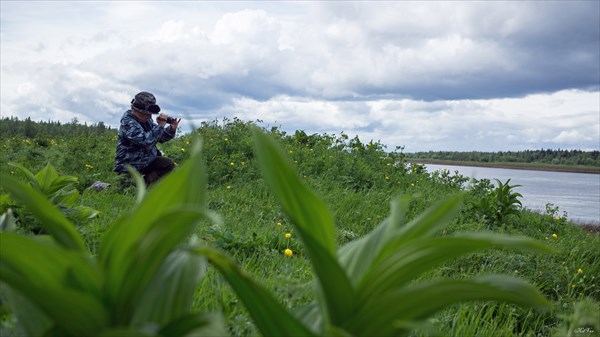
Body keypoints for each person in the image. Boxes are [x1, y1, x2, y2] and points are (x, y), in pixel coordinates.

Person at [114, 91, 181, 185]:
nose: (149, 116)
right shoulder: (128, 122)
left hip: (146, 162)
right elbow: (146, 141)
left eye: (150, 113)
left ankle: (145, 183)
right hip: (130, 166)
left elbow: (160, 137)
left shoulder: (146, 120)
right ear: (135, 110)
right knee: (126, 186)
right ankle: (134, 185)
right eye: (146, 113)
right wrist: (160, 126)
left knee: (167, 164)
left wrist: (171, 129)